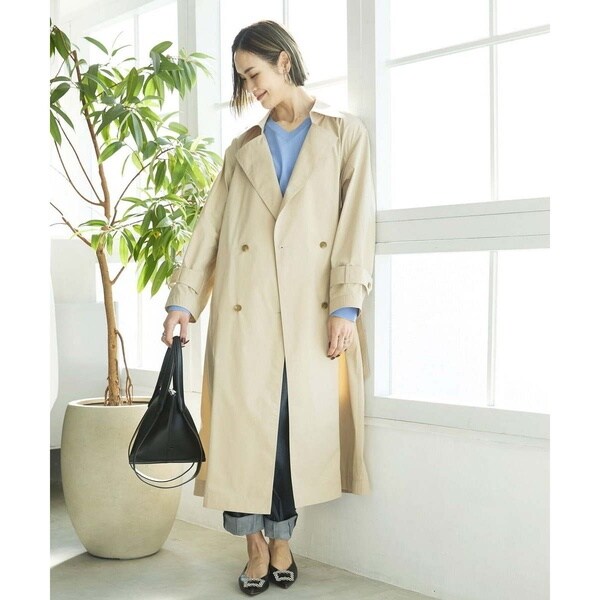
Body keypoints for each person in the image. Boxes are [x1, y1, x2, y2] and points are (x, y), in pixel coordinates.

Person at [161, 20, 375, 596]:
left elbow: (356, 224)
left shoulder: (343, 134)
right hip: (245, 313)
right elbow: (209, 229)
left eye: (253, 73)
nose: (250, 88)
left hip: (309, 312)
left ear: (284, 61)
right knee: (242, 440)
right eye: (241, 79)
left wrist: (346, 308)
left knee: (287, 435)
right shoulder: (243, 149)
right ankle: (255, 547)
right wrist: (183, 301)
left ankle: (283, 541)